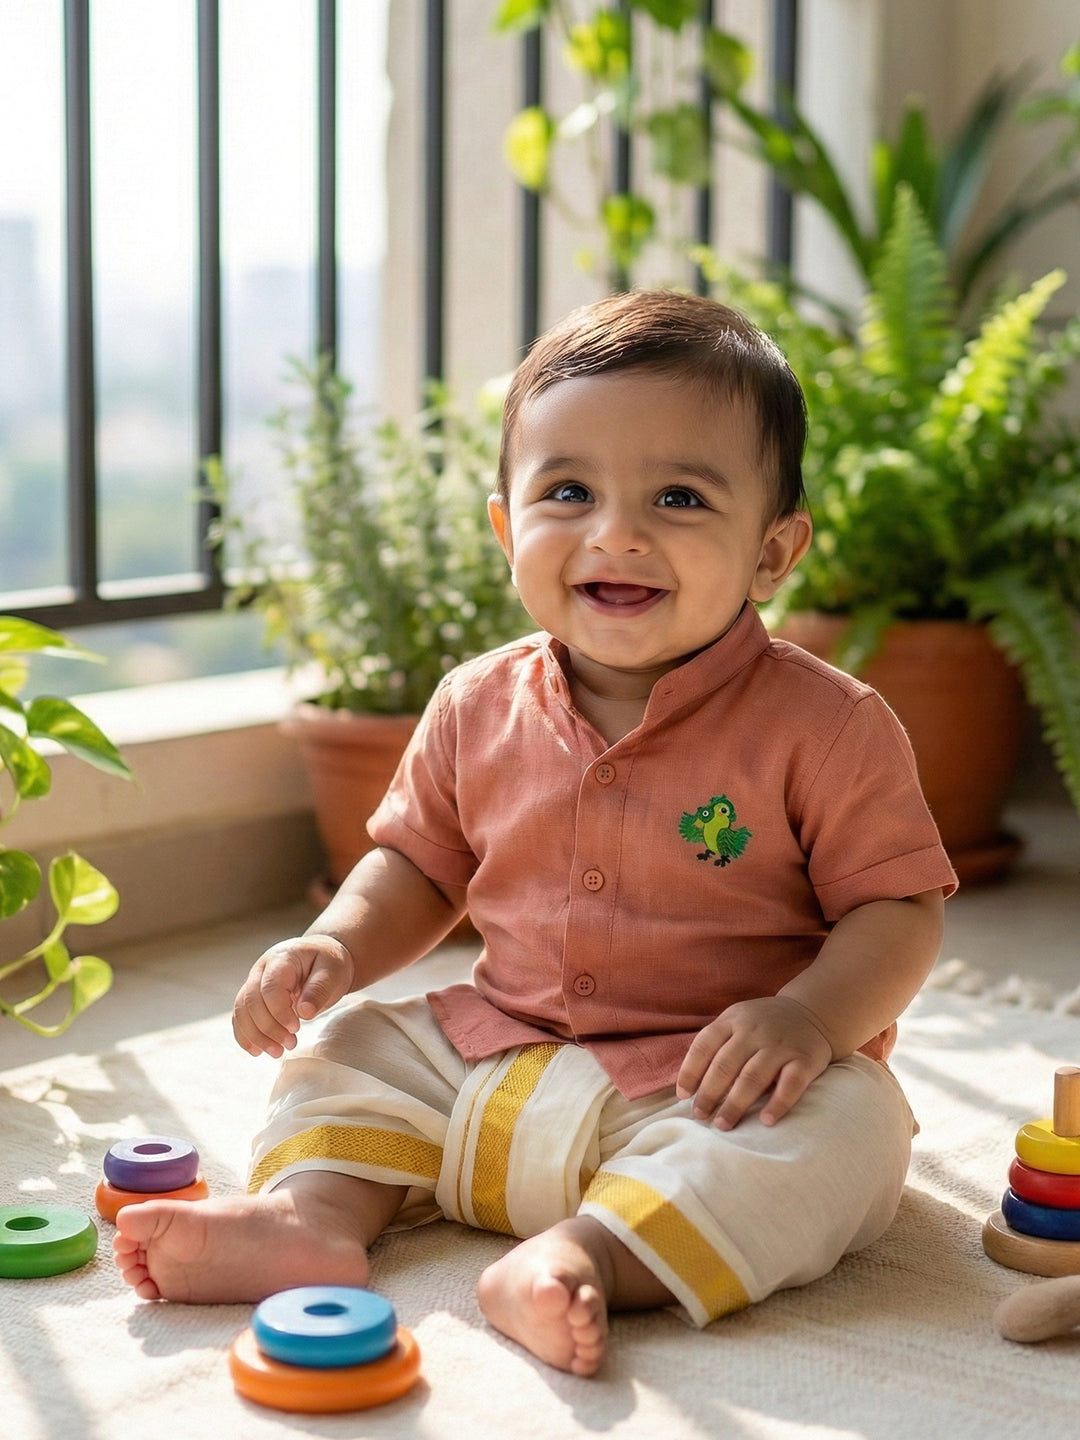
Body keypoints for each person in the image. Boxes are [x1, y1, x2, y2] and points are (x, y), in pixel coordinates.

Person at [114, 289, 957, 1377]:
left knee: (855, 1133)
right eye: (568, 491)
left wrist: (805, 1021)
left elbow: (897, 910)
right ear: (509, 526)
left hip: (708, 1088)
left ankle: (588, 1254)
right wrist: (335, 946)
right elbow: (418, 864)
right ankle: (313, 1216)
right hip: (494, 1059)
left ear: (772, 551)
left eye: (681, 497)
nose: (617, 532)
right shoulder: (476, 703)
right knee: (347, 1051)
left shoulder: (829, 726)